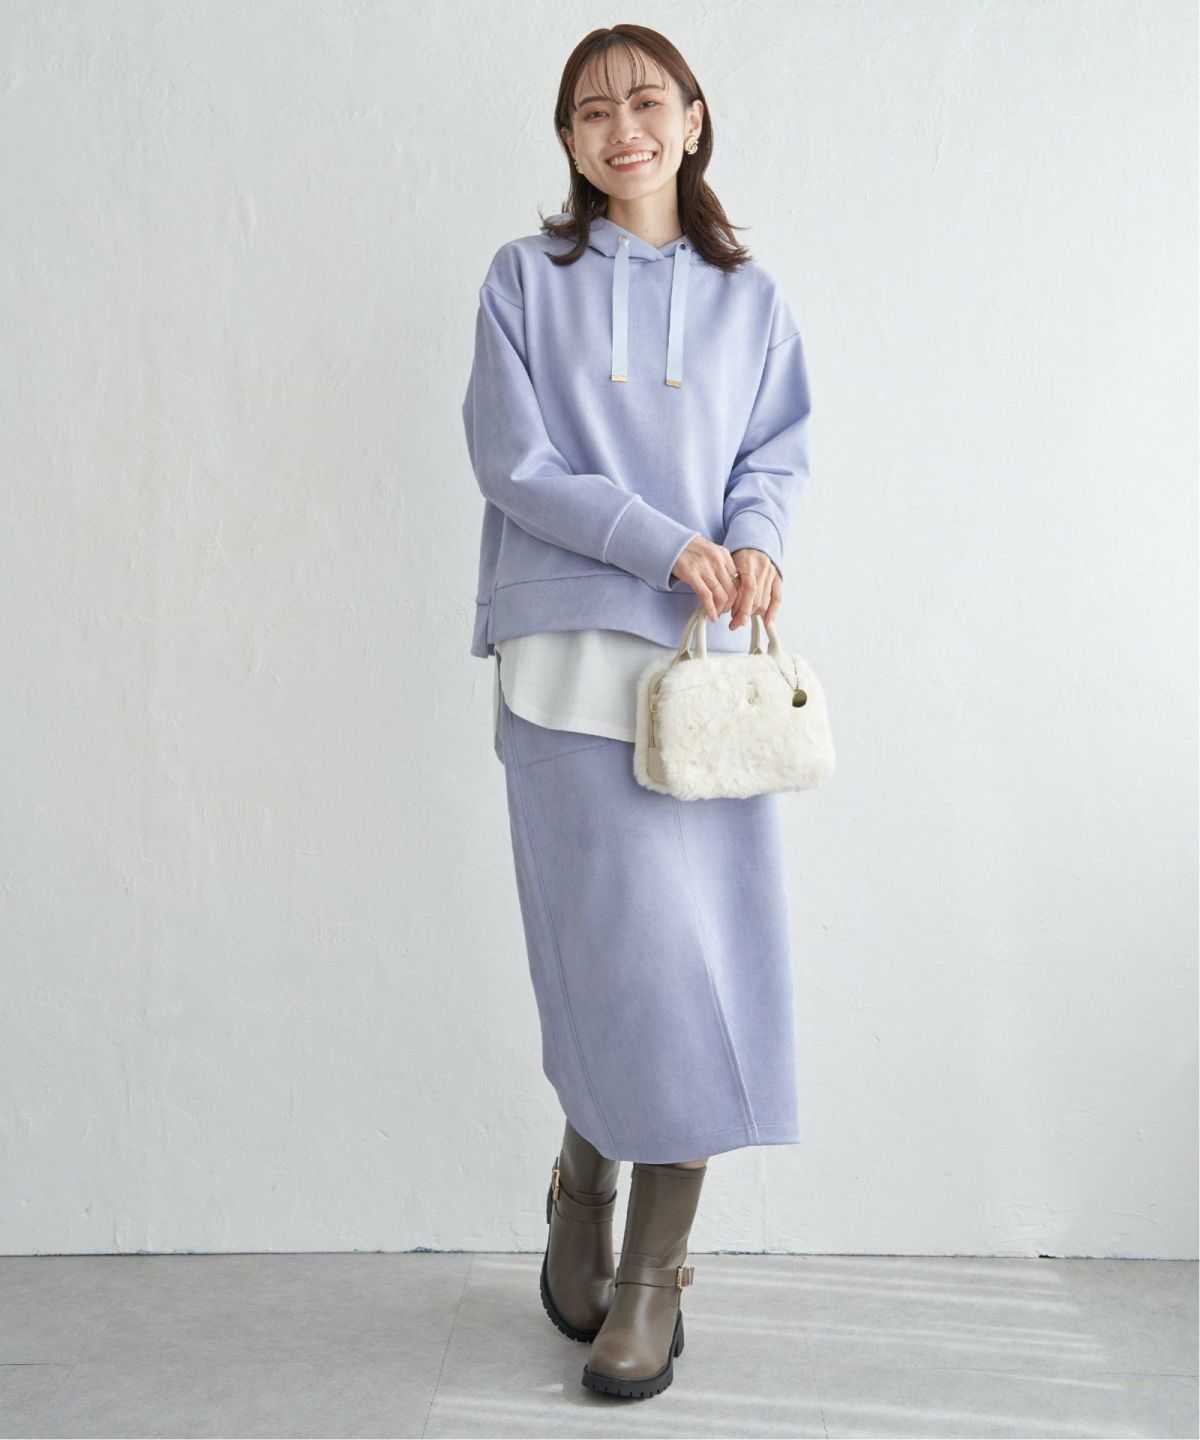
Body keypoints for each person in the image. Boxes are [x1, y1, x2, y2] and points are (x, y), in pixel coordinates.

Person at [460, 23, 813, 1401]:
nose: (625, 129)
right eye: (593, 111)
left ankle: (651, 1279)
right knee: (600, 965)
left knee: (693, 974)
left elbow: (772, 454)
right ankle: (582, 1184)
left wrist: (755, 541)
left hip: (703, 683)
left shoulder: (751, 300)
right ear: (568, 139)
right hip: (562, 660)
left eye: (648, 101)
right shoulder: (524, 280)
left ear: (694, 117)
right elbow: (514, 461)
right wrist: (666, 543)